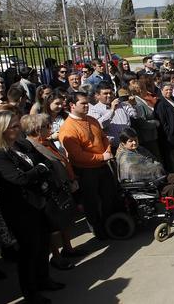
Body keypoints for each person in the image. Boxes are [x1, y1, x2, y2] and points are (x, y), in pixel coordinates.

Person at [0, 110, 64, 303]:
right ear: (2, 130)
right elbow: (19, 179)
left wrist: (38, 171)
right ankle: (30, 293)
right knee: (29, 251)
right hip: (20, 209)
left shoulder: (22, 144)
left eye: (18, 124)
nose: (19, 129)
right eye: (14, 126)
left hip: (39, 202)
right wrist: (38, 171)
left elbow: (45, 163)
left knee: (43, 245)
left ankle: (44, 280)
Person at [21, 114, 86, 271]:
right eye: (46, 126)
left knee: (65, 220)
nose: (50, 129)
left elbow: (61, 159)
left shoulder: (47, 141)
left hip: (62, 185)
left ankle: (68, 248)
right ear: (37, 129)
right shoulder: (32, 146)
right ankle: (56, 257)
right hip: (51, 191)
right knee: (54, 227)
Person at [58, 92, 117, 240]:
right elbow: (77, 155)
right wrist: (101, 157)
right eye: (83, 103)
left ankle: (110, 224)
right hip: (86, 171)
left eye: (87, 103)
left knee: (109, 196)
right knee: (90, 202)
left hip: (103, 166)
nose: (87, 106)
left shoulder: (92, 120)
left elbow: (103, 138)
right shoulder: (68, 128)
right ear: (72, 106)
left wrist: (107, 151)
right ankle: (99, 231)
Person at [115, 128, 174, 218]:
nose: (134, 142)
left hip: (156, 177)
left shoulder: (140, 149)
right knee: (171, 188)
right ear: (123, 143)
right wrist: (156, 168)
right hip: (144, 185)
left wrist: (156, 167)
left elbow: (153, 159)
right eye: (130, 141)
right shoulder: (125, 157)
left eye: (135, 139)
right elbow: (137, 172)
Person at [88, 81, 138, 147]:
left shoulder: (122, 105)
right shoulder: (94, 110)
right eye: (105, 93)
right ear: (97, 96)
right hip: (112, 147)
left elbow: (135, 115)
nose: (109, 95)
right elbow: (100, 125)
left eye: (110, 93)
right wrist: (112, 110)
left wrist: (133, 105)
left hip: (130, 145)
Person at [154, 82, 174, 173]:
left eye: (170, 89)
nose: (169, 91)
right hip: (171, 136)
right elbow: (163, 123)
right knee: (173, 157)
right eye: (166, 90)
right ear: (161, 90)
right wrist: (169, 134)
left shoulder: (172, 99)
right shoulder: (160, 104)